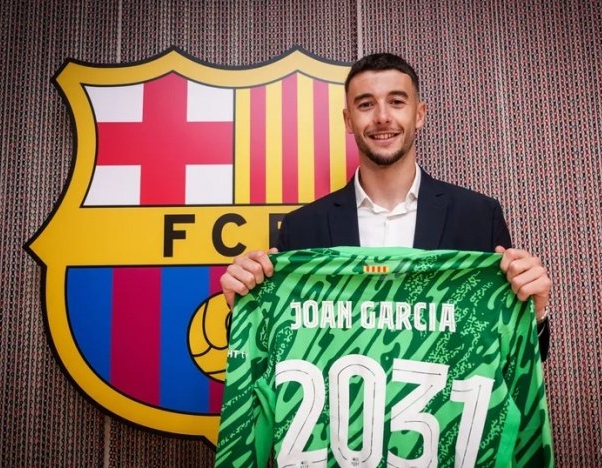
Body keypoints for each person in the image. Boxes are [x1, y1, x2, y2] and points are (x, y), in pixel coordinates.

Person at [220, 53, 552, 359]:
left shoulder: (478, 217)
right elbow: (274, 351)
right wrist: (245, 309)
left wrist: (534, 315)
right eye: (366, 104)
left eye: (396, 102)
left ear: (419, 115)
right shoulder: (302, 227)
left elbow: (514, 358)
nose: (382, 117)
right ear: (348, 120)